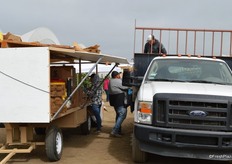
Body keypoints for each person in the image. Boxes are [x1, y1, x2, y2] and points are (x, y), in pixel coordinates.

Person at [109, 71, 128, 137]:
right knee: (122, 115)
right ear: (116, 76)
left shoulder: (110, 81)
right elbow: (126, 87)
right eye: (119, 75)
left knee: (118, 115)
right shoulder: (117, 81)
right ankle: (115, 131)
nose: (119, 76)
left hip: (114, 101)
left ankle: (118, 131)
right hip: (119, 101)